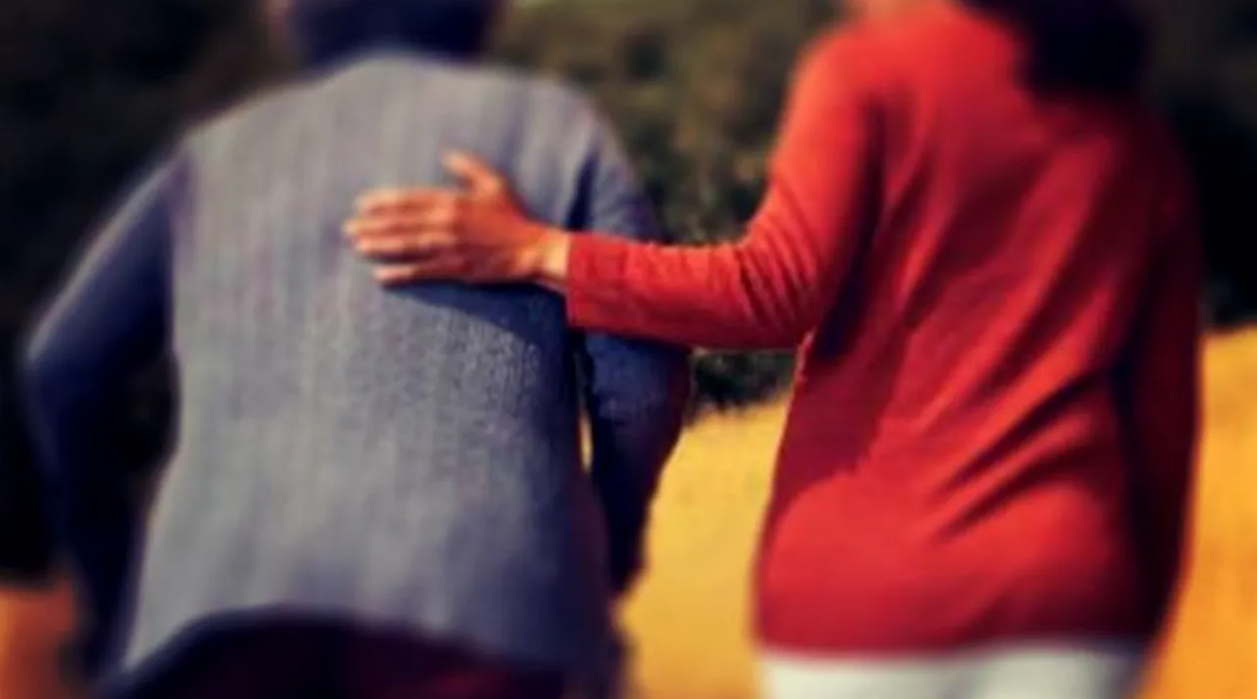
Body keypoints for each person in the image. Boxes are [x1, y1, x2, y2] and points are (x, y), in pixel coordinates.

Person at [344, 0, 1202, 697]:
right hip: (1074, 598)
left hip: (865, 602)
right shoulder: (1130, 133)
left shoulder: (871, 71)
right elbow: (1163, 425)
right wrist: (1132, 611)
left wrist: (537, 251)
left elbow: (771, 290)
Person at [18, 0, 690, 696]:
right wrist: (610, 537)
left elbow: (62, 367)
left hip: (217, 617)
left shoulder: (211, 158)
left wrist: (114, 595)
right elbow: (641, 373)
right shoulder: (553, 128)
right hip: (480, 610)